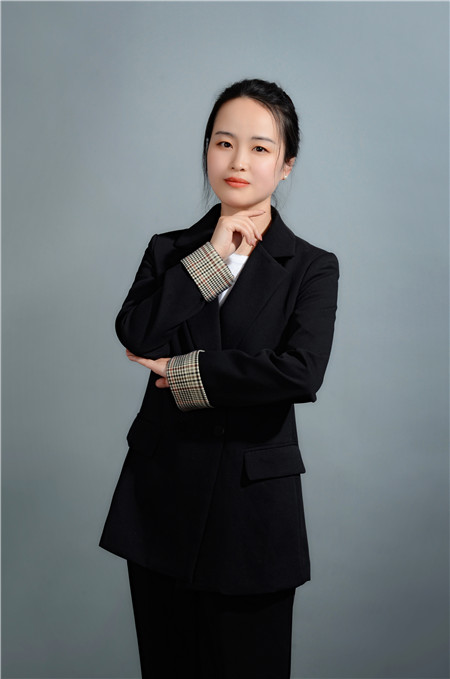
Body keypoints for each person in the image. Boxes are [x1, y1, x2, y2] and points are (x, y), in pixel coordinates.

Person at [99, 78, 339, 679]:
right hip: (160, 502)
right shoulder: (170, 250)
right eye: (224, 143)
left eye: (260, 148)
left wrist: (189, 375)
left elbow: (300, 371)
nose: (238, 162)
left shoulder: (312, 266)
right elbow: (137, 333)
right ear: (206, 149)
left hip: (251, 513)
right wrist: (208, 260)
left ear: (286, 164)